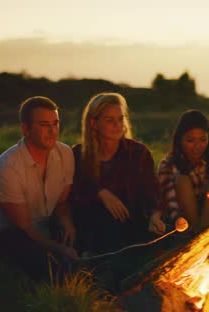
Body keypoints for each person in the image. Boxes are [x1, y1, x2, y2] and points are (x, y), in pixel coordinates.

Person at [0, 96, 77, 280]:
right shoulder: (7, 167)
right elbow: (24, 227)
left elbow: (62, 202)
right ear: (26, 129)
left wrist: (68, 223)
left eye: (55, 123)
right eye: (44, 125)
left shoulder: (65, 153)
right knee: (44, 263)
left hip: (45, 223)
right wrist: (60, 248)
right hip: (9, 231)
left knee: (85, 228)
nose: (52, 131)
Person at [69, 92, 160, 255]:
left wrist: (156, 215)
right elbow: (72, 195)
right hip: (91, 229)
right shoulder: (77, 154)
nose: (117, 125)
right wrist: (100, 192)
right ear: (93, 123)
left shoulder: (138, 153)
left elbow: (153, 193)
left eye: (120, 119)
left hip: (131, 226)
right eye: (110, 120)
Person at [155, 109, 209, 234]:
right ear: (180, 139)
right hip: (183, 223)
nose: (197, 146)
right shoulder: (168, 164)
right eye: (190, 141)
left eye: (203, 140)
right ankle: (194, 235)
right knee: (182, 179)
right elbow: (170, 201)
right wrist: (178, 219)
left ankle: (200, 234)